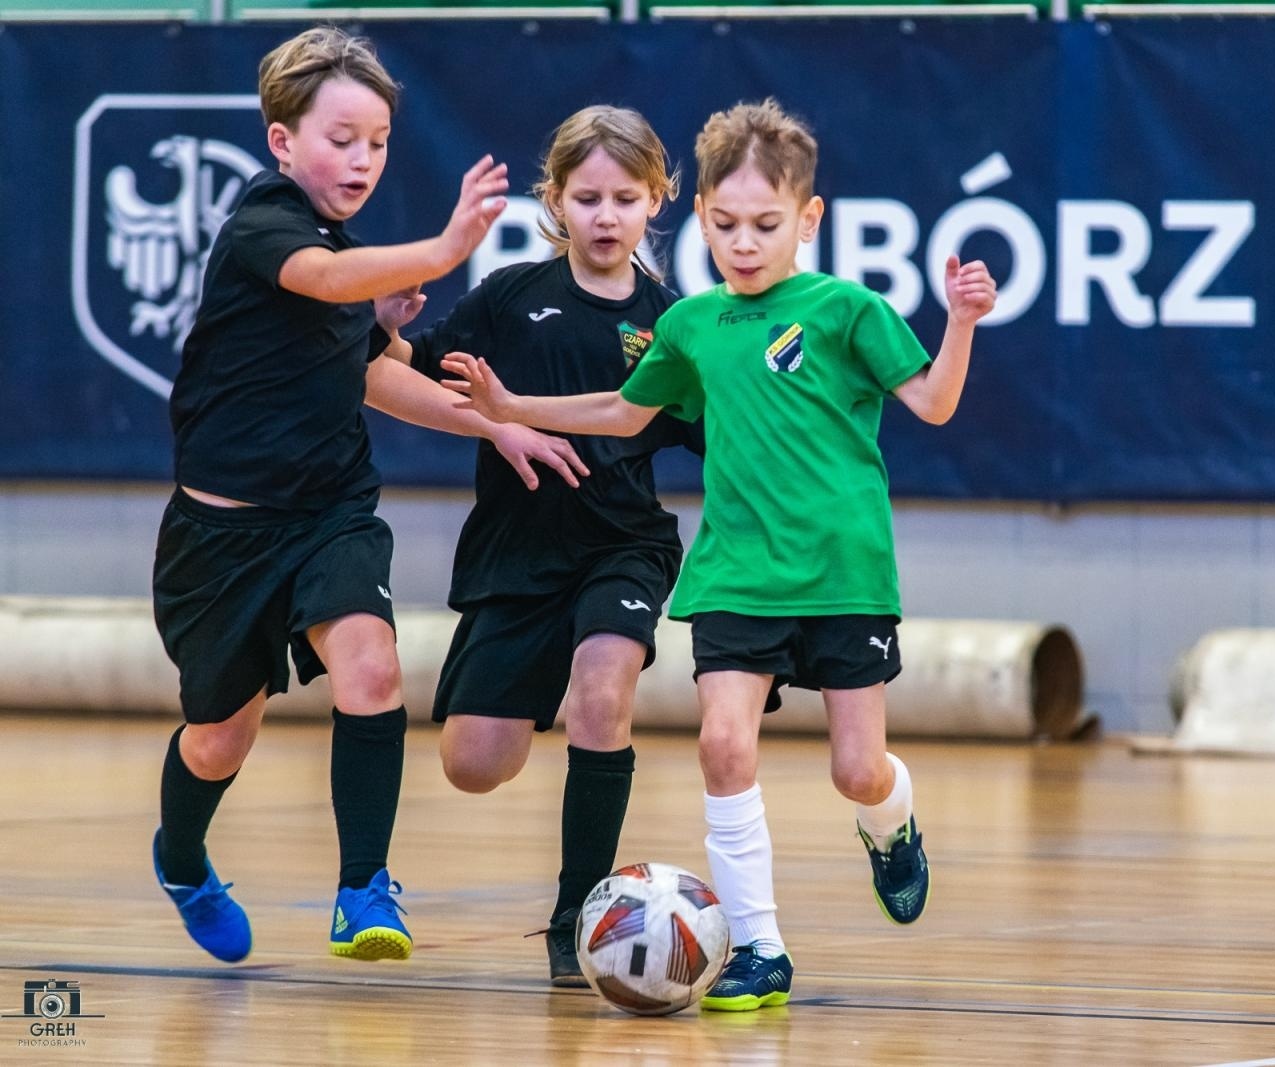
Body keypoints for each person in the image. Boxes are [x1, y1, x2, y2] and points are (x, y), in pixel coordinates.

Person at [440, 98, 997, 1010]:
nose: (745, 243)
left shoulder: (847, 309)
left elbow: (934, 402)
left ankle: (891, 824)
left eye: (767, 225)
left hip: (844, 573)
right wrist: (511, 409)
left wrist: (962, 322)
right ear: (699, 215)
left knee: (857, 768)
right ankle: (762, 949)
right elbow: (625, 412)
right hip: (734, 571)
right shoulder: (689, 324)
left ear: (808, 221)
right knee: (723, 744)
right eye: (727, 223)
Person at [150, 26, 583, 966]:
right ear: (282, 141)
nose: (363, 158)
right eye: (341, 137)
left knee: (373, 668)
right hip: (219, 542)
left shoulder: (350, 264)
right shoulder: (267, 225)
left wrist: (496, 425)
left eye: (379, 141)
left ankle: (363, 887)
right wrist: (443, 247)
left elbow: (381, 375)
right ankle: (181, 857)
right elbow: (326, 279)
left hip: (330, 515)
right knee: (219, 740)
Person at [385, 105, 698, 986]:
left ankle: (579, 915)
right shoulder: (510, 298)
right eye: (588, 196)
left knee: (604, 691)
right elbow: (417, 369)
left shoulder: (672, 324)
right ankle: (528, 690)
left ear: (655, 202)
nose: (605, 215)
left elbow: (728, 431)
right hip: (517, 551)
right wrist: (385, 327)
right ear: (555, 199)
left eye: (625, 198)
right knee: (474, 763)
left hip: (623, 546)